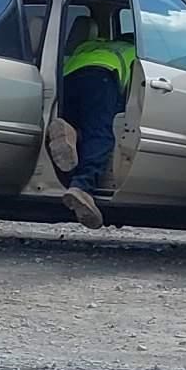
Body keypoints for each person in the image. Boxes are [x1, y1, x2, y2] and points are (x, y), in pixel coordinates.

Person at [56, 12, 136, 228]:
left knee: (79, 123)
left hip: (67, 77)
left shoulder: (90, 45)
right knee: (102, 132)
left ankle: (68, 131)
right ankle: (82, 187)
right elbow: (128, 97)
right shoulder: (135, 53)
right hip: (101, 78)